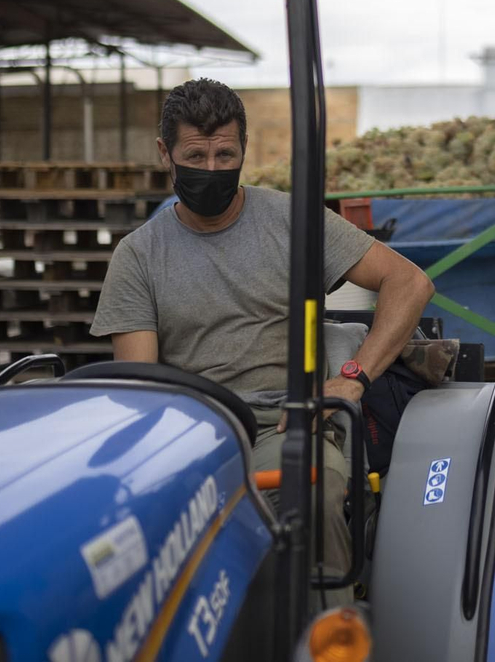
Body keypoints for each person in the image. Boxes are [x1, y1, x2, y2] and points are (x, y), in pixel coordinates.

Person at [90, 79, 434, 605]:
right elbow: (145, 394)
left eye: (225, 153)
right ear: (166, 154)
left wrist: (350, 381)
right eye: (196, 155)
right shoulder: (139, 256)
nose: (211, 167)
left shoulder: (293, 222)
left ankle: (322, 633)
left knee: (306, 494)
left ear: (244, 151)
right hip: (195, 432)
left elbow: (409, 282)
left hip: (288, 418)